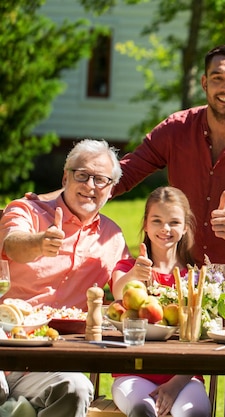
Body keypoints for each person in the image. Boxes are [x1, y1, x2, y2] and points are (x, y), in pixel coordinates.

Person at [112, 43, 225, 266]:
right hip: (178, 270)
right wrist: (69, 195)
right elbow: (125, 173)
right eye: (217, 78)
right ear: (204, 83)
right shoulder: (176, 129)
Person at [0, 139, 131, 417]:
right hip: (4, 344)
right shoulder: (27, 210)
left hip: (49, 365)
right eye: (81, 175)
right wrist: (39, 242)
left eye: (100, 179)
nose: (90, 185)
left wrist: (141, 278)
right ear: (65, 177)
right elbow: (12, 243)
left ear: (111, 190)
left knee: (77, 388)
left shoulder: (113, 238)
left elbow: (127, 291)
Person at [110, 186, 210, 417]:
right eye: (157, 220)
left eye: (174, 222)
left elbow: (204, 339)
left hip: (185, 376)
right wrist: (136, 275)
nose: (165, 229)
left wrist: (175, 385)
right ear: (145, 224)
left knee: (194, 414)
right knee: (143, 410)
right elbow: (118, 292)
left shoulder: (198, 278)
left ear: (185, 227)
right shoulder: (129, 269)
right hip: (133, 374)